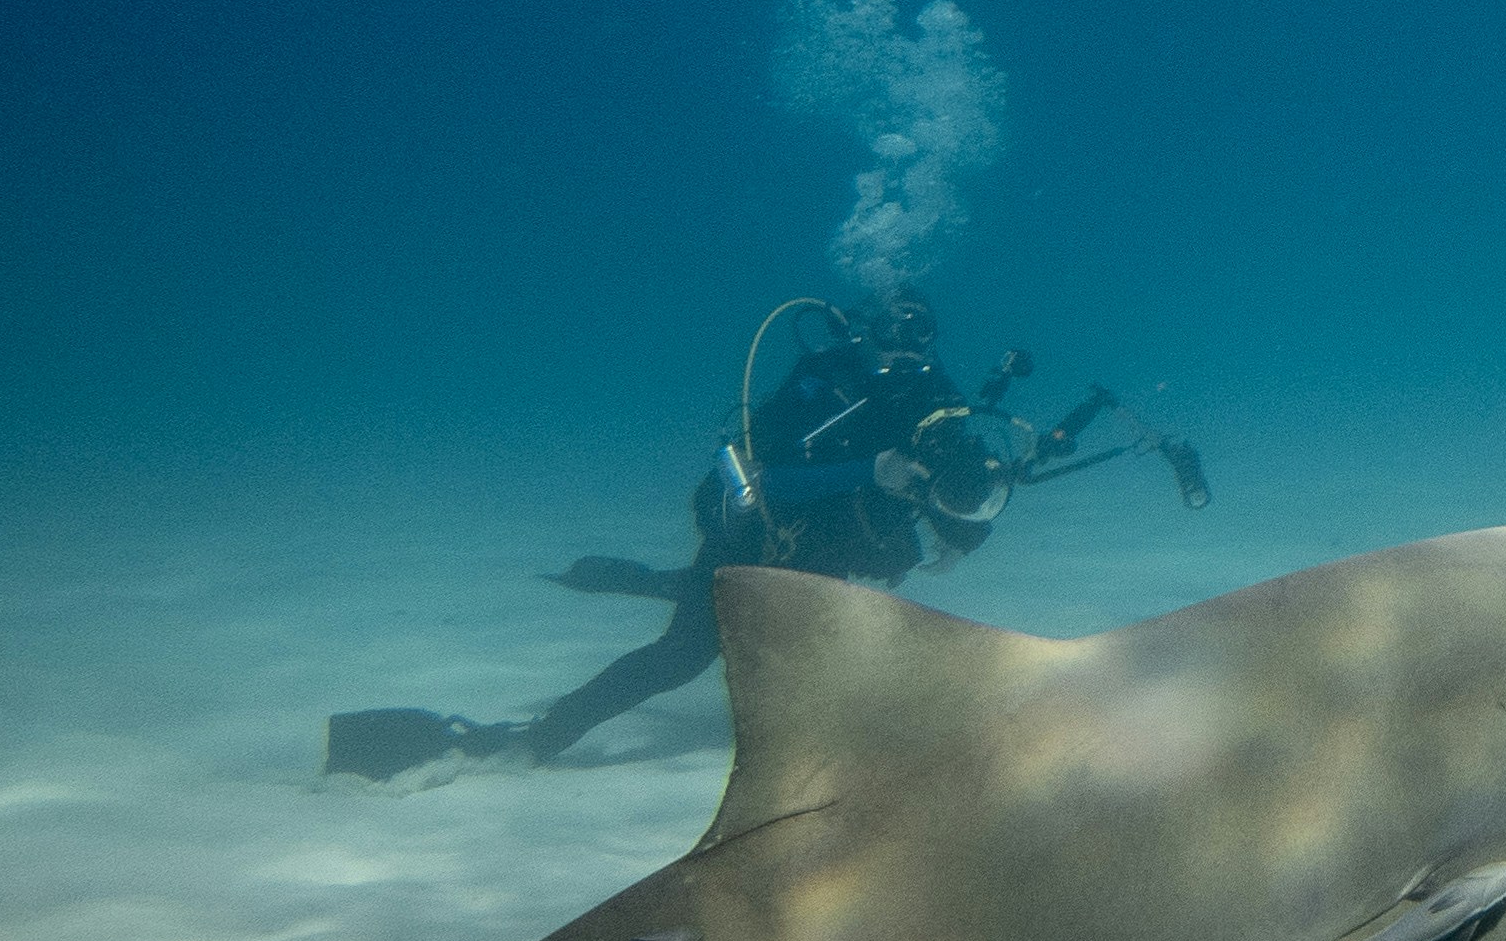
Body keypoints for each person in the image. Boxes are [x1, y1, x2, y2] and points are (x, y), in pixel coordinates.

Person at [320, 292, 1188, 778]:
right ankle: (520, 742)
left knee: (835, 665)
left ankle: (655, 580)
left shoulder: (937, 396)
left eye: (919, 336)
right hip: (758, 543)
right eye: (892, 333)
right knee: (682, 656)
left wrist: (966, 531)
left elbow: (978, 489)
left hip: (834, 564)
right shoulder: (821, 384)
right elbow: (761, 479)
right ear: (865, 331)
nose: (906, 351)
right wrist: (870, 470)